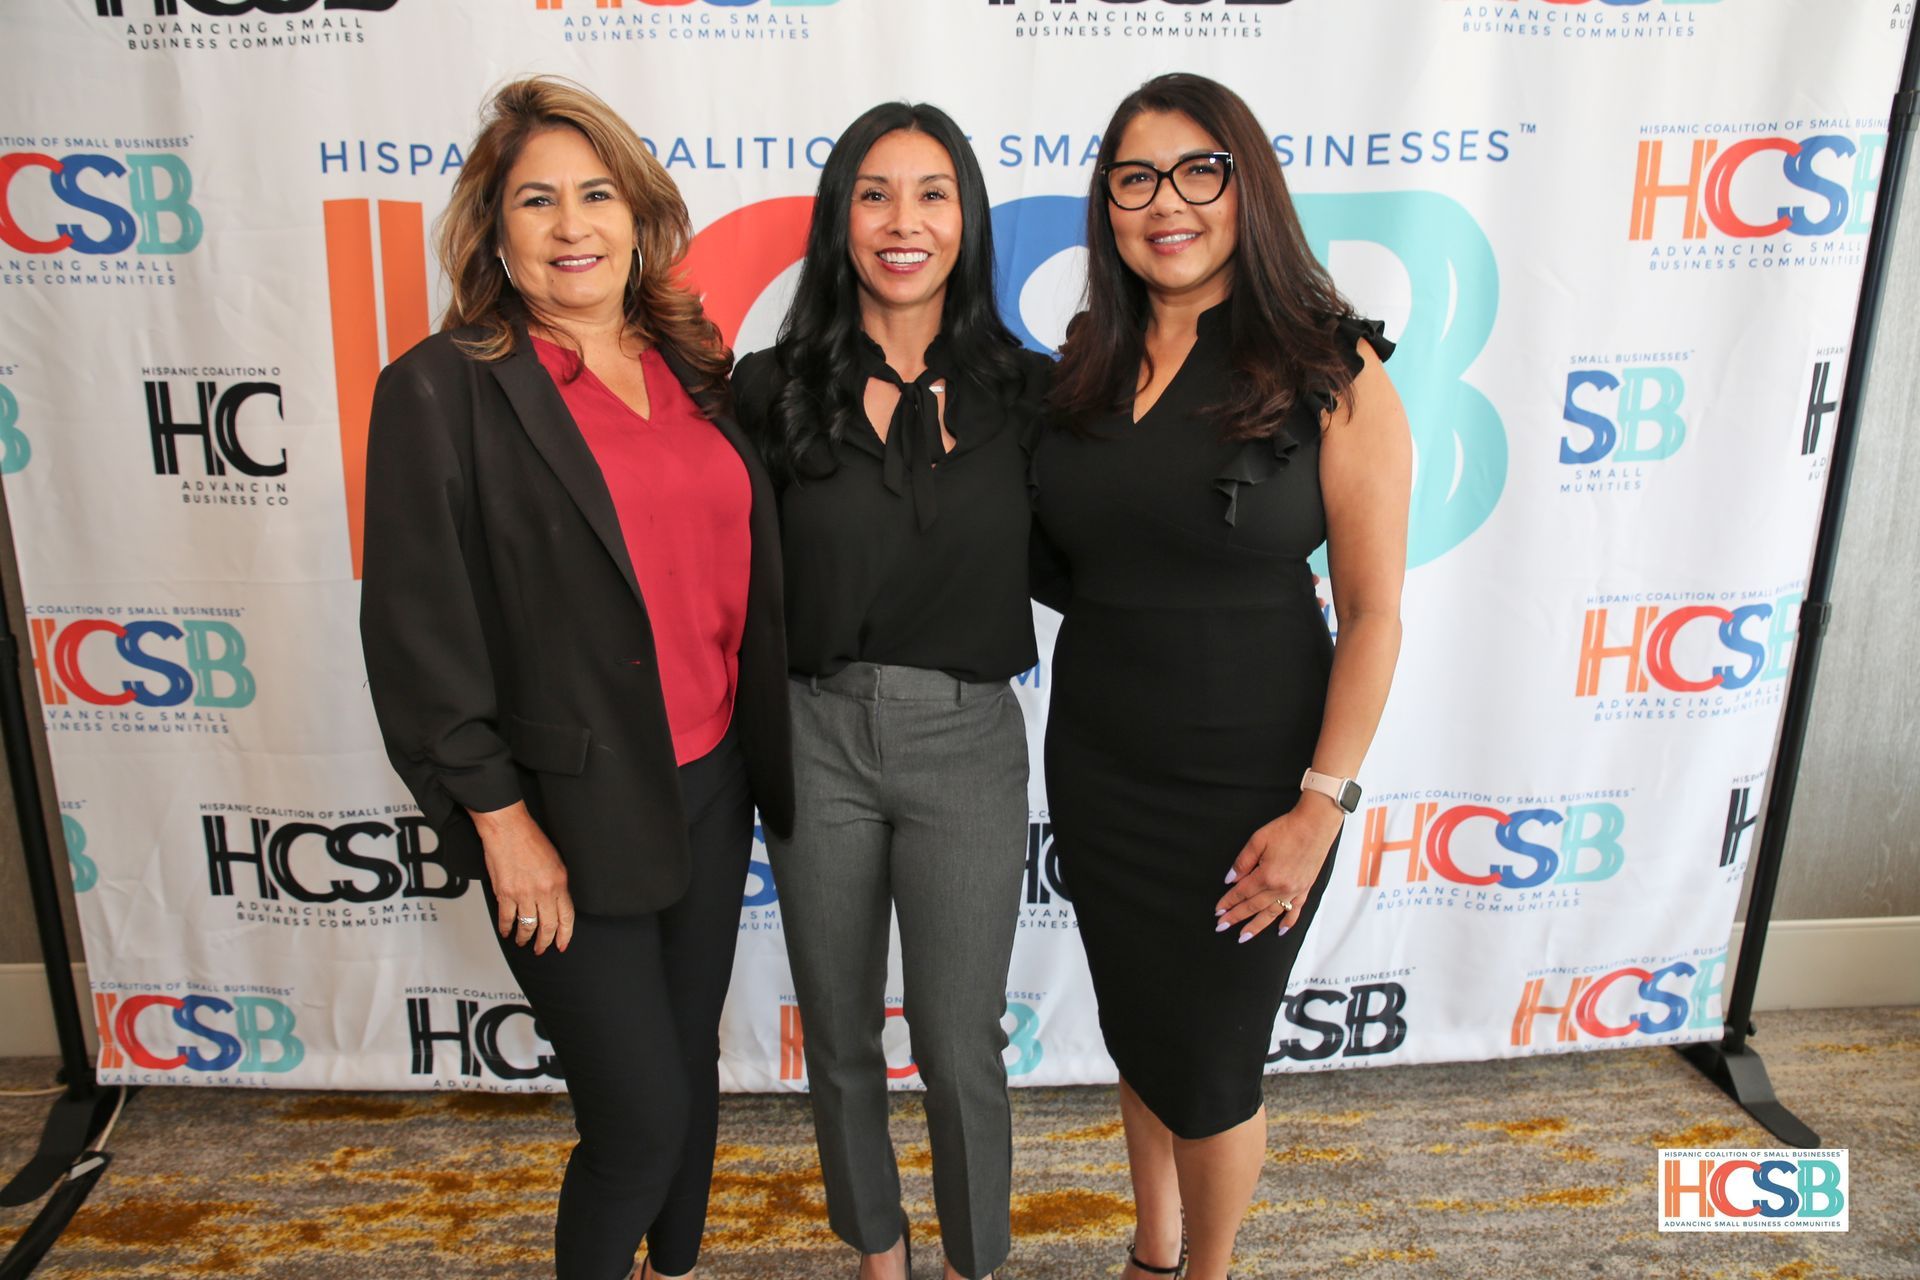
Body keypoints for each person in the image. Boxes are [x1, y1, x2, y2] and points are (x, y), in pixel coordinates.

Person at [358, 77, 792, 1280]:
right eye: (536, 200)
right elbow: (414, 634)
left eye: (596, 193)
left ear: (638, 212)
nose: (571, 226)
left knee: (689, 1080)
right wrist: (502, 823)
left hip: (711, 783)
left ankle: (677, 1265)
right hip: (563, 812)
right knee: (638, 1118)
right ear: (493, 231)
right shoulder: (443, 387)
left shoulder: (698, 363)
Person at [1031, 73, 1411, 1280]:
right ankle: (1151, 1251)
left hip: (1254, 779)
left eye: (1201, 170)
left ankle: (1210, 1269)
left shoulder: (1330, 364)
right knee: (1142, 1034)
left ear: (1247, 185)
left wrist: (1319, 805)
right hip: (1101, 761)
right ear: (1108, 204)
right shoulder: (1086, 362)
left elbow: (1375, 612)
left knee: (1209, 1063)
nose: (1167, 203)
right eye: (1135, 178)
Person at [732, 101, 1051, 1280]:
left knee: (962, 1042)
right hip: (815, 735)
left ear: (965, 220)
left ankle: (974, 1259)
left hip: (968, 740)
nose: (902, 220)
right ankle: (878, 1246)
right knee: (843, 1035)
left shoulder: (1031, 392)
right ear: (840, 220)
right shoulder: (770, 388)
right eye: (875, 193)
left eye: (931, 192)